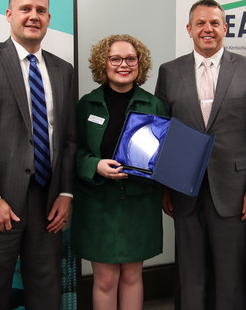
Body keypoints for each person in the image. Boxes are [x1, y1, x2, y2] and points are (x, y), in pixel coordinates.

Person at [0, 0, 76, 310]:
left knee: (46, 294)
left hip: (47, 204)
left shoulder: (63, 71)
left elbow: (67, 140)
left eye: (40, 10)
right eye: (25, 9)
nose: (33, 16)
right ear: (10, 15)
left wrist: (66, 193)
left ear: (49, 18)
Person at [154, 0, 246, 310]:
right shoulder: (169, 71)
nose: (208, 29)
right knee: (190, 273)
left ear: (225, 28)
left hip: (234, 189)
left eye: (215, 23)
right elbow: (162, 132)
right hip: (184, 188)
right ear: (189, 29)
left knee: (231, 274)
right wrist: (165, 184)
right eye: (201, 23)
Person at [73, 34, 167, 310]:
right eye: (115, 58)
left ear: (140, 63)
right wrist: (95, 165)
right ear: (104, 63)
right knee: (104, 279)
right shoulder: (86, 104)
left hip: (139, 203)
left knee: (132, 276)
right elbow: (71, 152)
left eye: (130, 59)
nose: (123, 64)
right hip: (97, 205)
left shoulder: (154, 105)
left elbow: (164, 155)